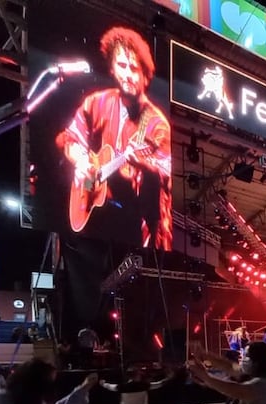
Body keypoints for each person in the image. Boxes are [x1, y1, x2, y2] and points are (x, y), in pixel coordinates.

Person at [59, 27, 171, 248]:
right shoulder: (96, 102)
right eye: (121, 65)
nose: (128, 74)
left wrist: (140, 162)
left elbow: (164, 174)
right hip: (101, 218)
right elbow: (70, 138)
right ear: (111, 67)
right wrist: (82, 163)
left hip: (135, 226)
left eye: (134, 68)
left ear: (145, 75)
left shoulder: (157, 125)